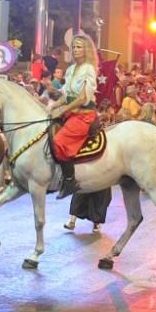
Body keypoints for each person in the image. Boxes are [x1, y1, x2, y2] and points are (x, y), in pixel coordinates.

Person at [49, 34, 99, 198]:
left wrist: (62, 111)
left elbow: (82, 98)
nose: (76, 50)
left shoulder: (88, 69)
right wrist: (51, 106)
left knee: (59, 141)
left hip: (83, 116)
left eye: (79, 47)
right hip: (70, 113)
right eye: (74, 47)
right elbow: (66, 95)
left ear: (86, 50)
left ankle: (70, 180)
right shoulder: (70, 70)